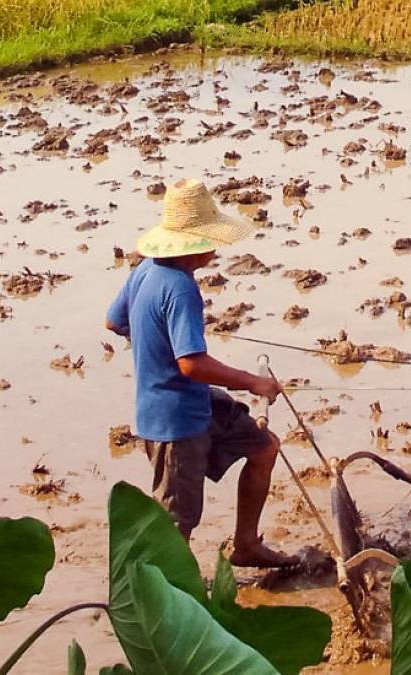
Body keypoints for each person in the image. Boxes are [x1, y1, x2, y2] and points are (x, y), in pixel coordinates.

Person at [105, 178, 296, 567]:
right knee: (177, 523)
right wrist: (254, 382)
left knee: (264, 447)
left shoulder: (144, 271)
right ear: (198, 242)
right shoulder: (179, 289)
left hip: (198, 404)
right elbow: (191, 363)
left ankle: (246, 545)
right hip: (172, 422)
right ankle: (168, 594)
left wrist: (153, 337)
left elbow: (114, 322)